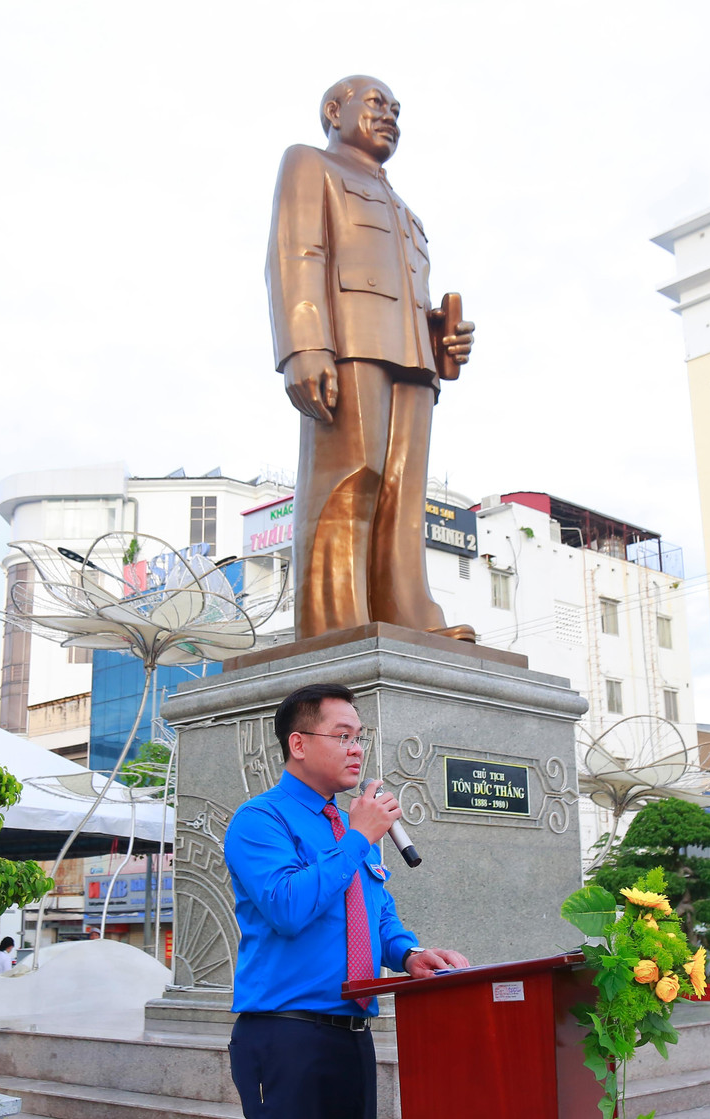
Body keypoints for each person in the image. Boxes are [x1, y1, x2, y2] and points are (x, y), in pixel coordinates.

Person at [267, 76, 477, 642]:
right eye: (376, 105)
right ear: (334, 111)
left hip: (413, 360)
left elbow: (411, 296)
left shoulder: (409, 213)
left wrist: (443, 337)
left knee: (403, 493)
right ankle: (336, 623)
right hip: (349, 346)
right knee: (353, 475)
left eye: (397, 110)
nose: (390, 117)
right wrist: (304, 345)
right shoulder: (311, 164)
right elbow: (297, 252)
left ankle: (406, 613)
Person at [224, 683, 468, 1119]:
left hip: (354, 1035)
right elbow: (286, 907)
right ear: (297, 744)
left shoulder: (351, 825)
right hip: (287, 1034)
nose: (356, 749)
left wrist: (409, 954)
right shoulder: (261, 819)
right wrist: (359, 838)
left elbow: (374, 913)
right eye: (342, 737)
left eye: (358, 738)